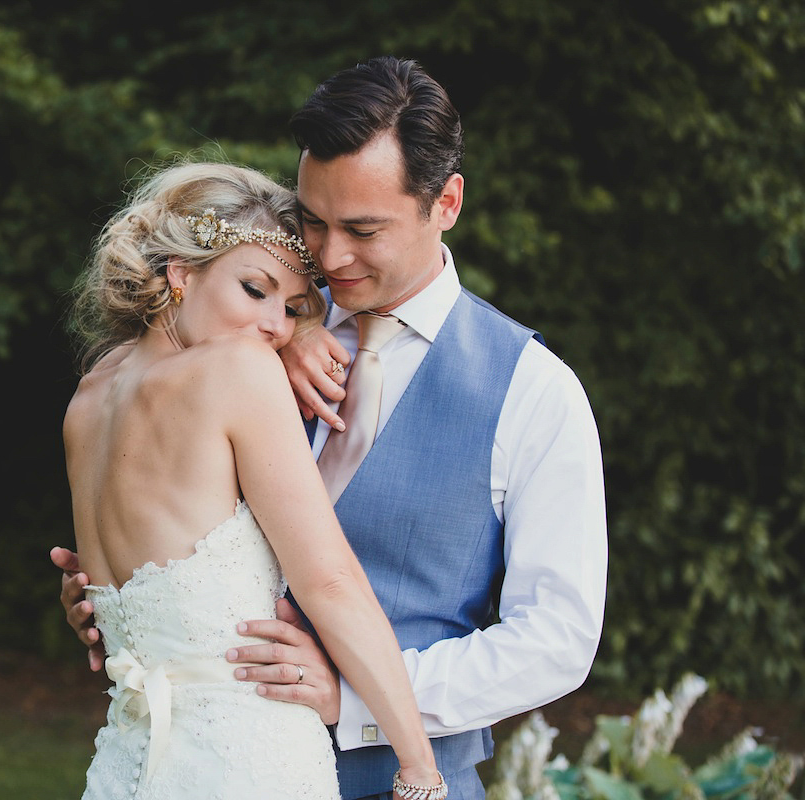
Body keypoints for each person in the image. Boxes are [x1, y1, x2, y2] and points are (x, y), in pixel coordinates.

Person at [55, 57, 608, 800]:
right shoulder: (256, 325)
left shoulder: (534, 393)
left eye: (363, 229)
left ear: (445, 202)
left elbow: (556, 641)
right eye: (313, 221)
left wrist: (360, 700)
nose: (330, 255)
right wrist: (125, 600)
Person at [61, 161, 446, 799]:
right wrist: (419, 768)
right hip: (244, 759)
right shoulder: (239, 370)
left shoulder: (90, 393)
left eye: (293, 308)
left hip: (128, 761)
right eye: (254, 289)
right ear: (178, 275)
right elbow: (329, 580)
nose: (274, 325)